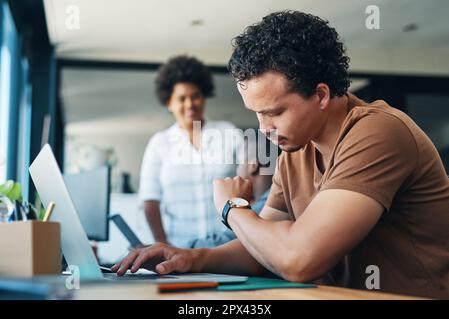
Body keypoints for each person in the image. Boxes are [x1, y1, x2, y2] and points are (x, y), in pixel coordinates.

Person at [113, 11, 449, 299]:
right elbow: (263, 248)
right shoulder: (296, 150)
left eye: (274, 112)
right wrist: (194, 258)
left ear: (320, 95)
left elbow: (297, 260)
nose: (263, 128)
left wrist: (233, 208)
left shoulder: (378, 132)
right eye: (256, 113)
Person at [138, 55, 243, 248]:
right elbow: (150, 201)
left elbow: (248, 185)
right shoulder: (159, 144)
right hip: (180, 247)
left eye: (195, 96)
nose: (190, 104)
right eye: (181, 98)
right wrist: (163, 244)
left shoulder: (229, 133)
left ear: (204, 97)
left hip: (228, 245)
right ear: (169, 103)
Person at [188, 138, 276, 248]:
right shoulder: (271, 200)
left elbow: (221, 244)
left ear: (253, 166)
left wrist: (230, 204)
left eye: (239, 163)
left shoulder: (267, 207)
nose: (236, 171)